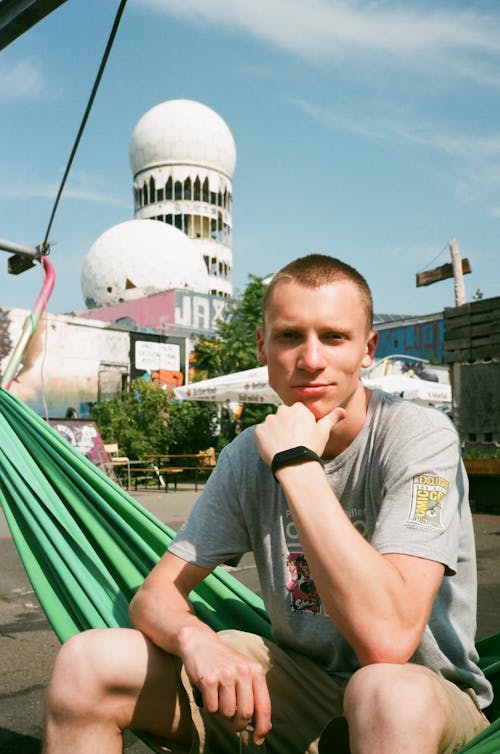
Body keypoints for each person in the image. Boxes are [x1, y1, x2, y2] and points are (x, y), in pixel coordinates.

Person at [43, 254, 492, 754]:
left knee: (382, 691)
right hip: (300, 691)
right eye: (289, 336)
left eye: (334, 337)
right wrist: (198, 641)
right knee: (87, 664)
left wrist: (298, 465)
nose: (311, 358)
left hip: (422, 703)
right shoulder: (246, 456)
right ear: (263, 346)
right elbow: (154, 598)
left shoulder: (418, 436)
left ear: (368, 350)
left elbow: (386, 642)